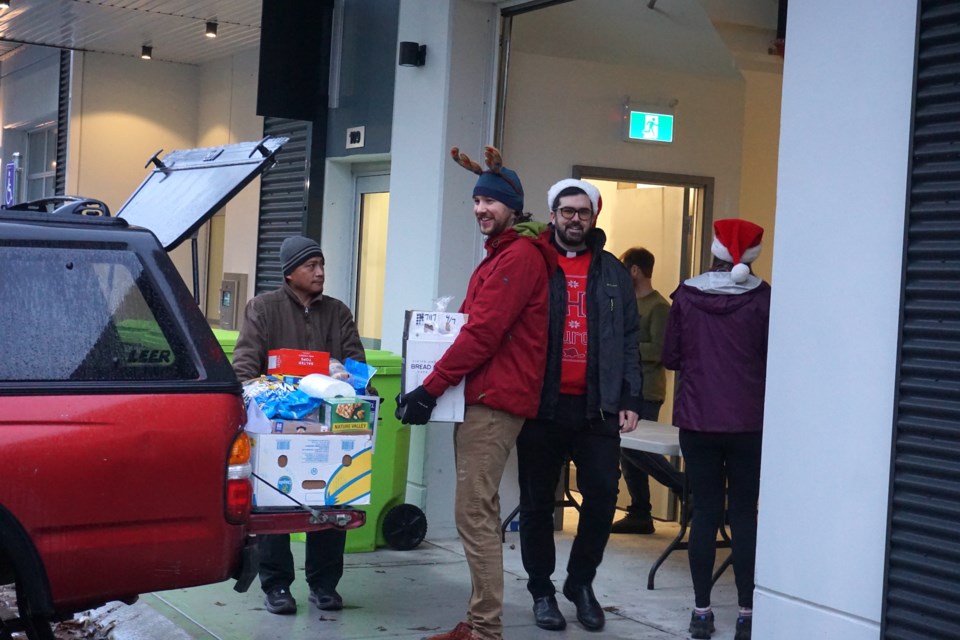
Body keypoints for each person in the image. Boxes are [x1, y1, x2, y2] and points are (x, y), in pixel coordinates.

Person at [395, 146, 554, 640]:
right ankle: (479, 622)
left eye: (491, 202)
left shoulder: (519, 257)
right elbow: (466, 325)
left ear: (514, 207)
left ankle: (486, 630)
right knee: (475, 510)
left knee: (474, 512)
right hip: (479, 398)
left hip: (494, 402)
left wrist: (430, 386)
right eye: (476, 201)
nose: (481, 209)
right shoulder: (500, 257)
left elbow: (482, 333)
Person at [516, 179, 642, 633]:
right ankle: (542, 590)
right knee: (535, 504)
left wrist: (631, 397)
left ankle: (580, 582)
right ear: (552, 215)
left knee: (605, 496)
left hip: (598, 408)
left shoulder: (612, 272)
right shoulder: (533, 263)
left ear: (593, 217)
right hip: (541, 406)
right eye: (566, 211)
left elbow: (629, 338)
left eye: (582, 212)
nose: (575, 219)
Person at [232, 235, 366, 616]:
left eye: (322, 265)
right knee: (276, 506)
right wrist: (258, 398)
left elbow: (356, 363)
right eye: (311, 266)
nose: (320, 272)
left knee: (331, 500)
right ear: (290, 273)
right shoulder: (263, 308)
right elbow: (245, 365)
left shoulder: (337, 312)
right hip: (277, 424)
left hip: (329, 426)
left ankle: (324, 585)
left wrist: (353, 381)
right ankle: (276, 587)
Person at [662, 219, 770, 640]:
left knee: (704, 513)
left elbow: (670, 357)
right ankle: (746, 613)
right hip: (749, 422)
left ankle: (702, 612)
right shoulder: (764, 300)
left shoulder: (686, 296)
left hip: (698, 420)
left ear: (714, 251)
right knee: (745, 514)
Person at [611, 247, 683, 535]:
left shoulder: (659, 307)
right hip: (627, 388)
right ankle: (641, 513)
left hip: (648, 389)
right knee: (628, 454)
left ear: (635, 270)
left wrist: (624, 348)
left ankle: (684, 486)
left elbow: (661, 350)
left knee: (638, 451)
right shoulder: (627, 304)